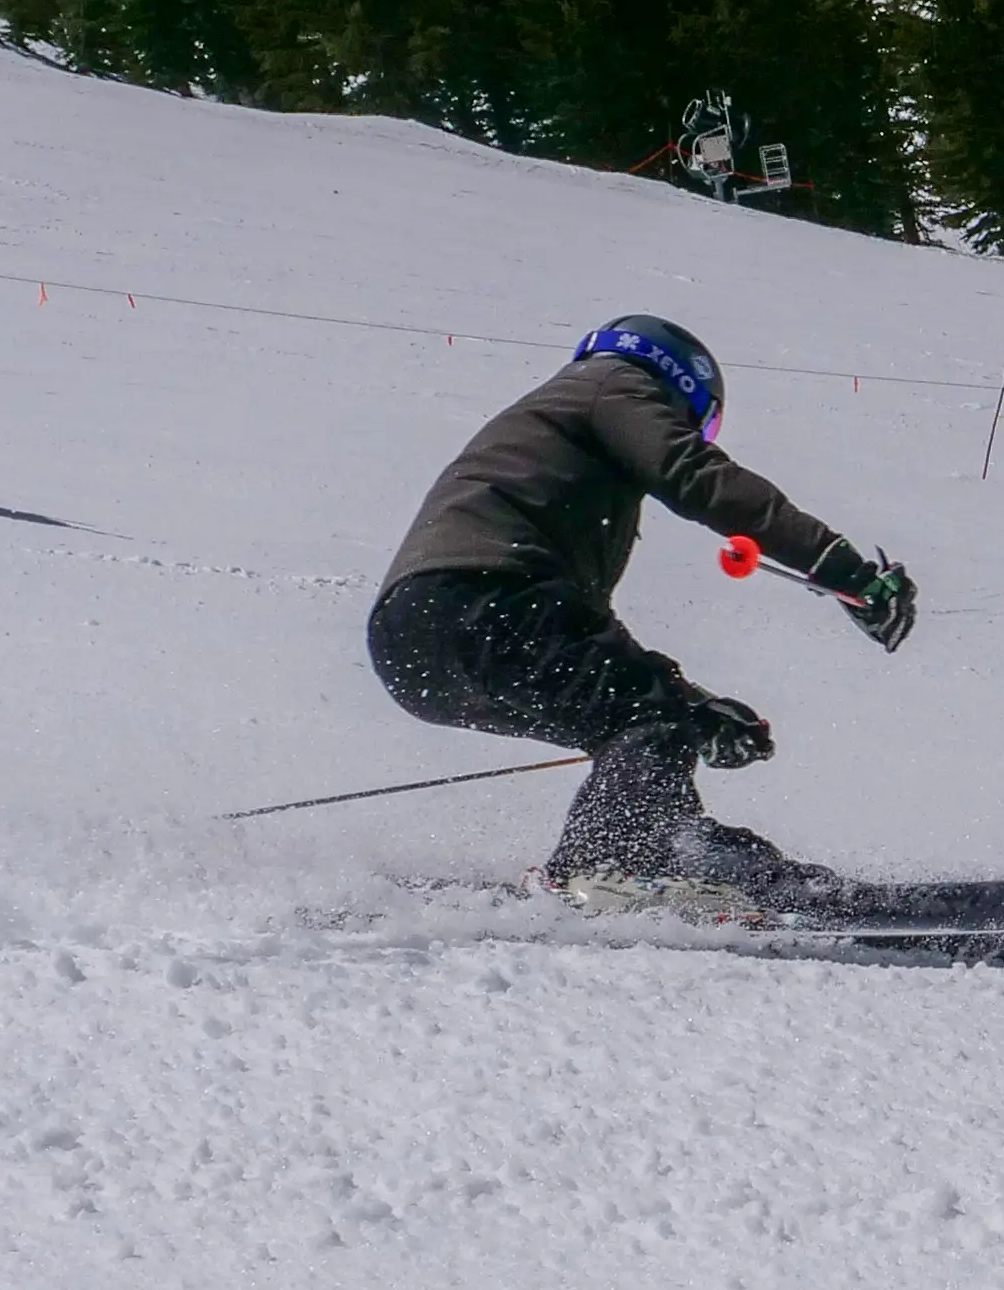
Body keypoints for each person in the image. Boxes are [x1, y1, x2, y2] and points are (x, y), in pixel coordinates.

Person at [367, 315, 917, 898]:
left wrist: (693, 709)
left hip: (416, 639)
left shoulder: (557, 428)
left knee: (636, 716)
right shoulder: (615, 384)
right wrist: (844, 571)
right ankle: (619, 866)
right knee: (643, 718)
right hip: (482, 601)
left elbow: (580, 640)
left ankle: (635, 856)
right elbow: (697, 477)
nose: (689, 435)